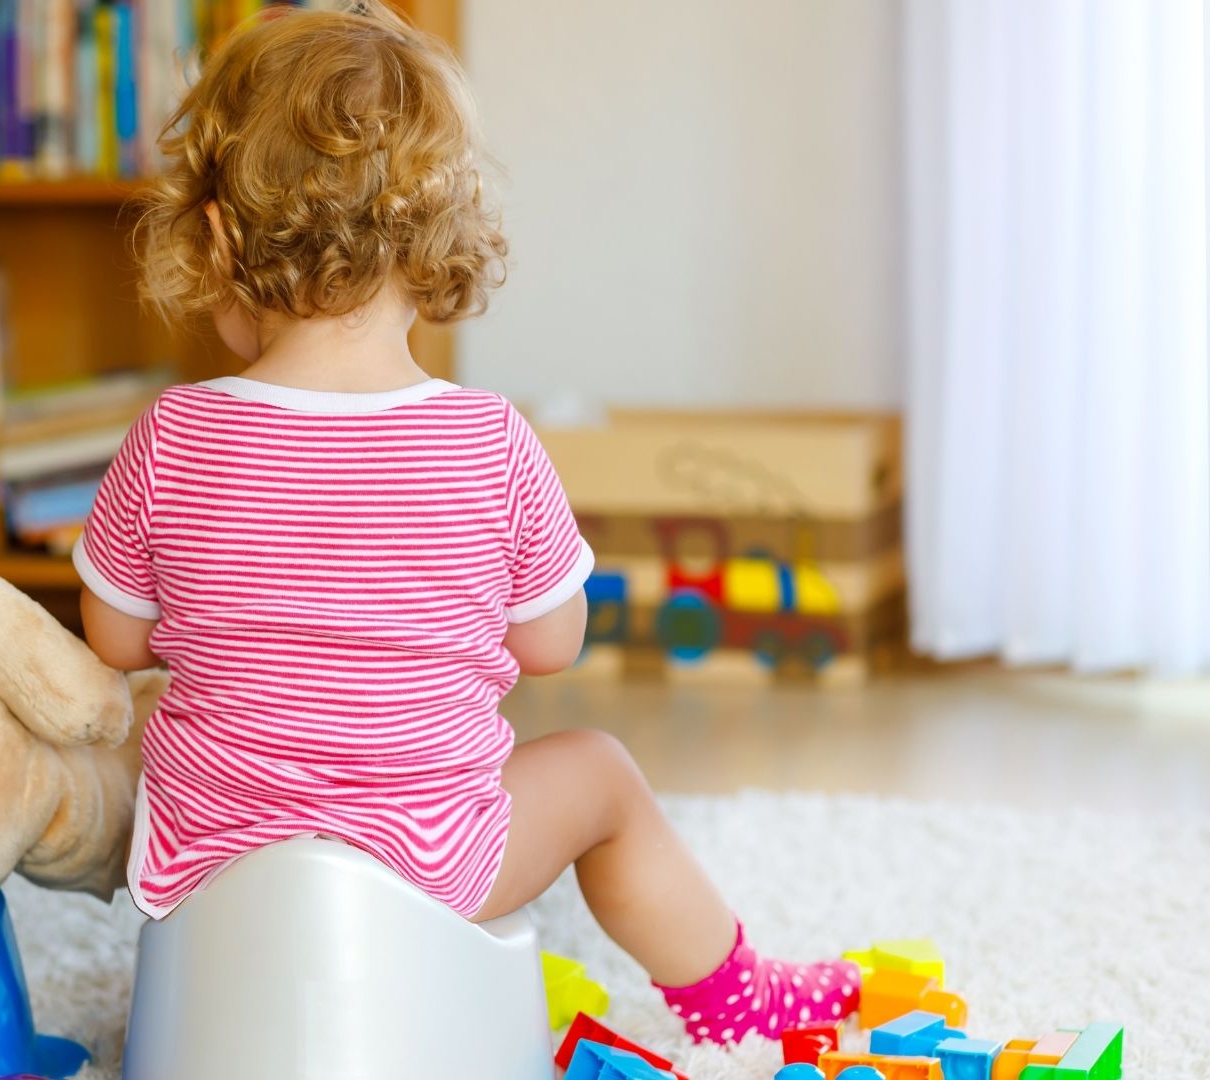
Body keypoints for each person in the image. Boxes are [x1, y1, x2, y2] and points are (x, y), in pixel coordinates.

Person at [73, 4, 856, 1044]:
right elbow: (552, 642)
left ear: (215, 237)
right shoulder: (490, 441)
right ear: (434, 240)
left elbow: (116, 637)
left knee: (153, 729)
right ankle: (736, 993)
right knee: (601, 773)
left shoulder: (173, 432)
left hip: (214, 865)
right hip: (435, 864)